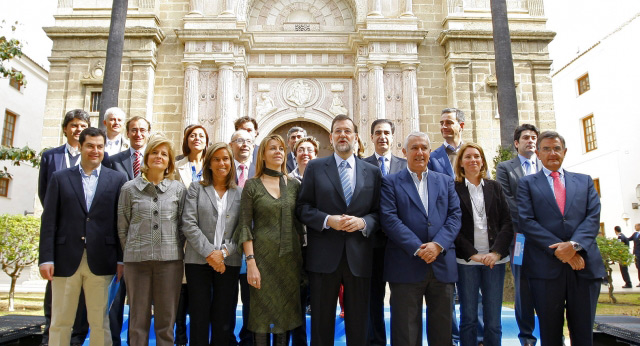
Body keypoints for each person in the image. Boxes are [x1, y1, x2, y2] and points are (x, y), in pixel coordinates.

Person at [296, 114, 382, 346]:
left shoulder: (372, 172)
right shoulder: (315, 167)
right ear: (331, 138)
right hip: (324, 258)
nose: (342, 135)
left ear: (355, 137)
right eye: (337, 131)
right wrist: (327, 220)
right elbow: (302, 208)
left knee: (359, 325)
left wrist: (364, 223)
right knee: (322, 325)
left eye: (347, 131)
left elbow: (379, 213)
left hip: (359, 258)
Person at [39, 127, 127, 346]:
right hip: (65, 260)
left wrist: (120, 258)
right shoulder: (60, 178)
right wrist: (46, 258)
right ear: (80, 147)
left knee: (100, 322)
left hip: (102, 260)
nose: (95, 151)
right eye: (90, 146)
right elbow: (49, 220)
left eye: (99, 146)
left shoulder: (117, 179)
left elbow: (120, 224)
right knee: (60, 321)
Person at [517, 131, 605, 346]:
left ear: (564, 152)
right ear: (537, 153)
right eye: (546, 149)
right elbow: (526, 221)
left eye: (556, 148)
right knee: (550, 334)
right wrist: (561, 251)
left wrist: (573, 246)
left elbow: (593, 218)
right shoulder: (527, 184)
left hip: (584, 267)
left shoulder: (584, 182)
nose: (552, 153)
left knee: (584, 334)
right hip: (546, 270)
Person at [379, 132, 462, 346]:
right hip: (406, 266)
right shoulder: (390, 182)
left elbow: (454, 217)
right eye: (414, 148)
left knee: (443, 331)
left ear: (430, 152)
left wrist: (437, 245)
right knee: (405, 332)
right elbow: (389, 219)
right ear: (405, 152)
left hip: (441, 265)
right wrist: (418, 248)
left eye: (424, 148)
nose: (420, 152)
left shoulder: (445, 181)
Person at [234, 134, 304, 345]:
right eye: (272, 148)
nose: (278, 152)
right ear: (262, 155)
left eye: (281, 148)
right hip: (262, 260)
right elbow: (245, 226)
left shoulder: (294, 185)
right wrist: (251, 262)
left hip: (289, 260)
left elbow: (300, 223)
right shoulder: (252, 185)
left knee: (285, 316)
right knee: (261, 316)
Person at [117, 135, 187, 346]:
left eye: (164, 154)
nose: (159, 157)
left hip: (170, 262)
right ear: (146, 158)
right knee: (138, 320)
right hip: (137, 263)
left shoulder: (178, 190)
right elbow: (123, 228)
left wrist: (170, 248)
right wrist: (134, 251)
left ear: (169, 162)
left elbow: (183, 227)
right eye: (155, 152)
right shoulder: (129, 189)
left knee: (166, 321)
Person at [37, 109, 91, 346]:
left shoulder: (96, 155)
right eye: (74, 125)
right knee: (56, 288)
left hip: (88, 236)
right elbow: (44, 193)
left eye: (82, 126)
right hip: (61, 232)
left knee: (82, 291)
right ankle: (51, 336)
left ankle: (77, 338)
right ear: (66, 128)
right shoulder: (51, 157)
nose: (77, 129)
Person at [182, 142, 243, 345]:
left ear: (231, 163)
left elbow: (242, 229)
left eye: (225, 159)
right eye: (216, 159)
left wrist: (223, 253)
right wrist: (210, 253)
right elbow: (188, 224)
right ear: (208, 164)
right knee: (199, 318)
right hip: (198, 262)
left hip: (229, 263)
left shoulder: (240, 194)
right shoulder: (195, 189)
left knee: (223, 319)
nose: (221, 163)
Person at [453, 142, 513, 346]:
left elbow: (507, 222)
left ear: (483, 161)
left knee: (493, 319)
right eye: (468, 157)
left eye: (477, 156)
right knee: (468, 318)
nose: (473, 160)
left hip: (494, 261)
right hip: (467, 262)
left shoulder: (495, 187)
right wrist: (472, 254)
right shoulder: (453, 189)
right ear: (461, 162)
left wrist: (496, 253)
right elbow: (453, 226)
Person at [362, 118, 406, 346]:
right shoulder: (362, 165)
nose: (382, 137)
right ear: (371, 137)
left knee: (402, 298)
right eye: (378, 132)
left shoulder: (405, 165)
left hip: (401, 245)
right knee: (373, 298)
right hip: (372, 244)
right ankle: (375, 341)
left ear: (392, 136)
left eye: (386, 132)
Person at [495, 124, 540, 346]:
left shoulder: (545, 166)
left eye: (534, 137)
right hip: (520, 238)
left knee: (551, 287)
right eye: (525, 138)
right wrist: (533, 222)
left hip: (547, 240)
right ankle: (527, 337)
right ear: (516, 143)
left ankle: (555, 335)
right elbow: (507, 200)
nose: (530, 141)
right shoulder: (505, 168)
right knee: (523, 287)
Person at [108, 115, 151, 345]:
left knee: (140, 302)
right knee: (115, 302)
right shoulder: (113, 161)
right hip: (120, 241)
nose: (138, 134)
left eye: (142, 130)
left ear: (148, 133)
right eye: (133, 130)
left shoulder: (157, 163)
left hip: (147, 243)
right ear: (128, 133)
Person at [174, 124, 209, 346]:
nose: (197, 139)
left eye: (201, 136)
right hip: (179, 235)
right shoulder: (176, 166)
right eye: (192, 136)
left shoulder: (214, 165)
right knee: (178, 290)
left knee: (202, 294)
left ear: (207, 141)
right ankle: (179, 337)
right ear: (186, 140)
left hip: (206, 236)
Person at [288, 136, 319, 346]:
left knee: (318, 298)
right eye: (301, 149)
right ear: (295, 154)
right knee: (296, 299)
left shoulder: (324, 178)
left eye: (309, 149)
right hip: (294, 248)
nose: (305, 153)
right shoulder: (286, 181)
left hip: (319, 246)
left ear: (316, 154)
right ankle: (299, 342)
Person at [229, 128, 257, 346]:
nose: (244, 144)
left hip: (254, 249)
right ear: (232, 145)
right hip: (226, 247)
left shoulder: (260, 171)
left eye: (248, 141)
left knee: (251, 301)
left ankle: (248, 340)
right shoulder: (222, 169)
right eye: (239, 140)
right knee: (226, 301)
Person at [428, 108, 465, 176]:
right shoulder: (432, 158)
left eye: (449, 123)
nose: (444, 127)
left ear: (461, 126)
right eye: (442, 123)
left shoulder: (474, 154)